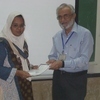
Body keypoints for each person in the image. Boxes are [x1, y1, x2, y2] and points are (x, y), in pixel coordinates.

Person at [46, 3, 94, 100]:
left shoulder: (85, 34)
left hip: (76, 80)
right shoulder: (57, 36)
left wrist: (63, 63)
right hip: (58, 78)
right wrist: (52, 60)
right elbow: (53, 55)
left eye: (65, 16)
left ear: (74, 15)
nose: (62, 20)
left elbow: (84, 60)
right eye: (59, 17)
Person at [0, 12, 37, 100]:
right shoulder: (3, 44)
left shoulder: (22, 42)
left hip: (24, 86)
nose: (19, 29)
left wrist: (30, 67)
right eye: (15, 25)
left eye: (21, 25)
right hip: (10, 89)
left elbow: (19, 61)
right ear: (9, 26)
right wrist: (17, 73)